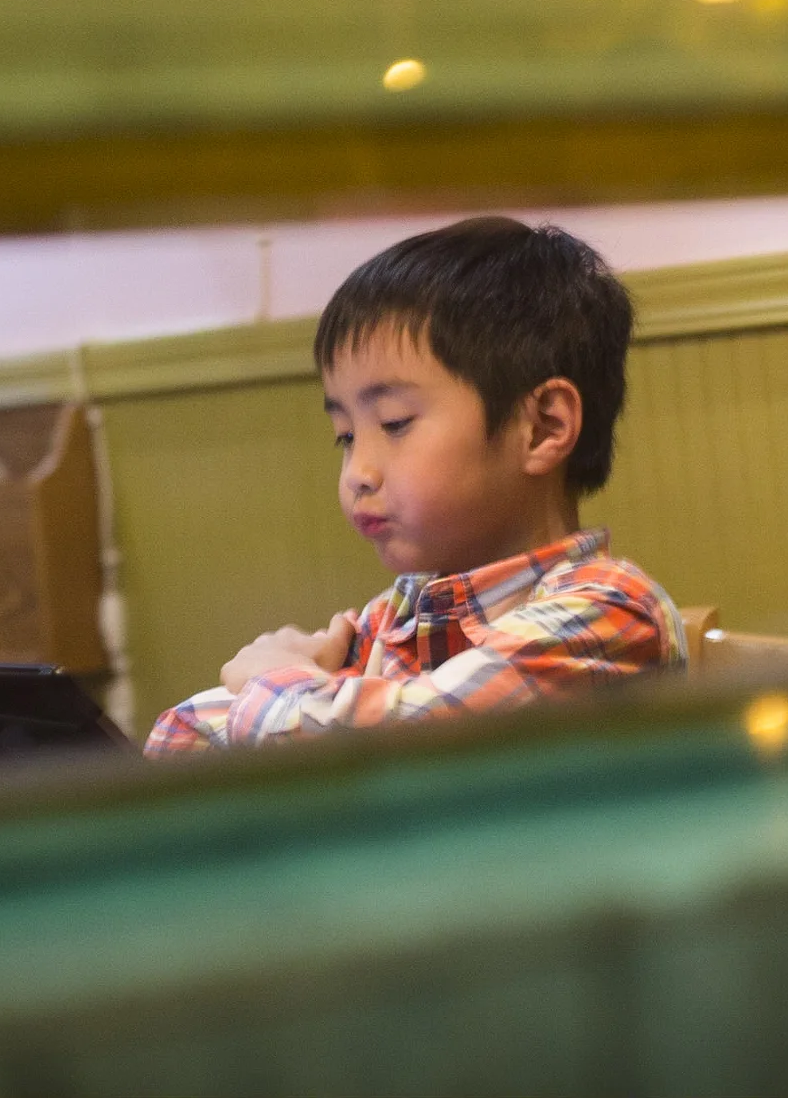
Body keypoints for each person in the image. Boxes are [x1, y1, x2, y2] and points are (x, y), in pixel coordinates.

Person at [146, 216, 686, 757]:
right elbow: (183, 731)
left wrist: (276, 675)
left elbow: (408, 748)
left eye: (396, 423)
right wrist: (288, 690)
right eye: (345, 436)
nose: (359, 471)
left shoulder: (607, 613)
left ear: (543, 427)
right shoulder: (397, 615)